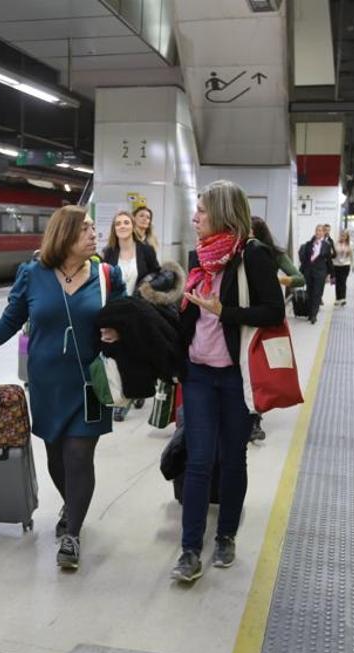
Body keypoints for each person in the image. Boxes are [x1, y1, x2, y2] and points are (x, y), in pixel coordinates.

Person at [0, 206, 125, 571]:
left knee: (79, 455)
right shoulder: (33, 274)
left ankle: (73, 533)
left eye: (91, 228)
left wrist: (119, 331)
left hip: (89, 382)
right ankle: (72, 501)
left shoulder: (106, 274)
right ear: (64, 235)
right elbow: (12, 316)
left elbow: (125, 314)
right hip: (46, 383)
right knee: (55, 455)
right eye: (84, 229)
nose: (92, 233)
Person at [166, 180, 284, 584]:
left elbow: (273, 311)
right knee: (198, 460)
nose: (195, 217)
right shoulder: (198, 256)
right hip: (198, 374)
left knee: (232, 459)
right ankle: (189, 550)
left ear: (221, 213)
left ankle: (227, 536)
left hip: (236, 377)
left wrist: (224, 310)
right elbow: (190, 316)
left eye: (201, 210)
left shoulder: (253, 256)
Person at [100, 209, 160, 420]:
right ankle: (124, 398)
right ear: (114, 229)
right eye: (118, 224)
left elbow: (157, 273)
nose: (123, 226)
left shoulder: (145, 250)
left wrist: (146, 288)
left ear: (132, 226)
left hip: (139, 308)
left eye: (126, 222)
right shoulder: (108, 252)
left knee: (137, 351)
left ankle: (139, 389)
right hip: (116, 310)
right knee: (118, 353)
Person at [247, 217, 302, 443]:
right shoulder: (238, 251)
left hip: (268, 318)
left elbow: (300, 278)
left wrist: (280, 281)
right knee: (248, 369)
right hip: (245, 315)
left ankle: (255, 418)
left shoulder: (273, 254)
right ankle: (249, 416)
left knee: (262, 370)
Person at [297, 224, 332, 324]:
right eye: (317, 230)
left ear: (324, 233)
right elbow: (305, 259)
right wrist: (301, 271)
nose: (318, 232)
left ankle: (313, 315)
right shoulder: (308, 244)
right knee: (310, 292)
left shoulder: (326, 245)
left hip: (320, 272)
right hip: (309, 272)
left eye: (321, 231)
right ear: (315, 232)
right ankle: (309, 312)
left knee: (317, 293)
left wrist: (330, 274)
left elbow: (329, 260)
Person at [332, 229, 353, 307]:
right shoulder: (336, 244)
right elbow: (333, 255)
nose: (343, 237)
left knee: (343, 281)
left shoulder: (350, 244)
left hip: (345, 265)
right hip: (336, 265)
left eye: (344, 236)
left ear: (347, 236)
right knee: (337, 282)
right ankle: (337, 299)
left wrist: (353, 265)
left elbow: (352, 255)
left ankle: (343, 298)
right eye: (341, 235)